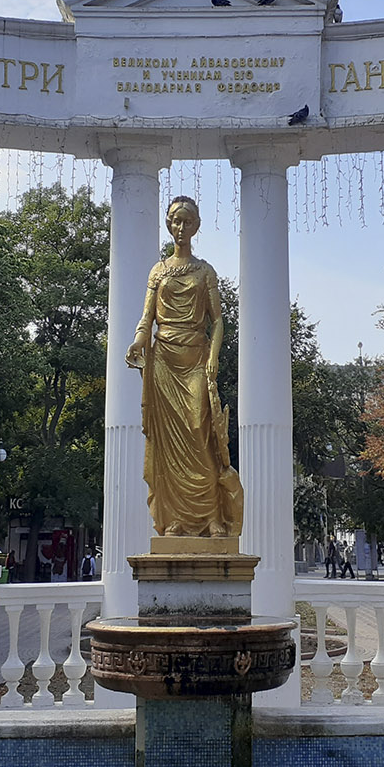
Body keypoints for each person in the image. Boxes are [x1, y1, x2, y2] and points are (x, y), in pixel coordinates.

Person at [126, 195, 243, 538]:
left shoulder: (205, 271)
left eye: (187, 221)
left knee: (199, 434)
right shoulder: (158, 271)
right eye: (176, 221)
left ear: (196, 226)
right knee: (168, 445)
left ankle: (211, 517)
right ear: (168, 224)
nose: (181, 227)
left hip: (195, 358)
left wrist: (214, 356)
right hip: (163, 361)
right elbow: (147, 318)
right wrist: (138, 340)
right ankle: (174, 519)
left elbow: (217, 321)